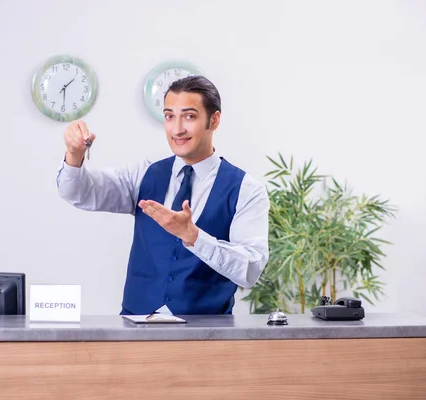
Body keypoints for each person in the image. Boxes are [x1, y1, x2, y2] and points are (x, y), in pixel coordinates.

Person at [57, 75, 269, 315]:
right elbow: (78, 192)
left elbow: (250, 270)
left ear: (214, 120)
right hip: (136, 328)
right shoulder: (144, 174)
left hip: (208, 335)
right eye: (169, 116)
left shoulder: (245, 189)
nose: (177, 129)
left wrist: (194, 237)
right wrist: (74, 155)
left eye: (189, 116)